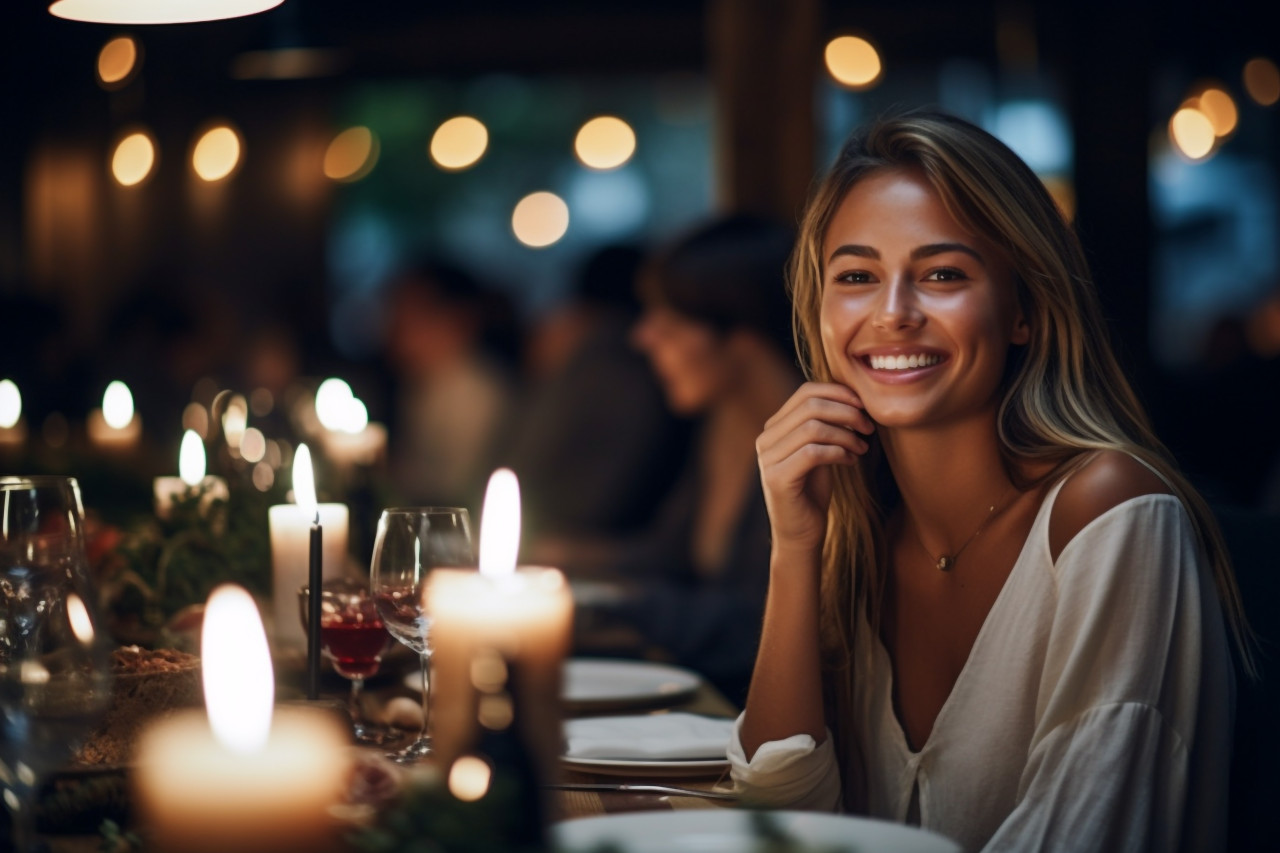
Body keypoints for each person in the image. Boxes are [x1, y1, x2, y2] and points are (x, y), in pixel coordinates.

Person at [732, 110, 1252, 852]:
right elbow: (775, 820)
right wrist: (794, 548)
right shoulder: (865, 532)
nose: (893, 313)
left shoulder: (1111, 511)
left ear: (1023, 312)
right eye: (856, 277)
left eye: (943, 274)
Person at [590, 214, 802, 705]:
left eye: (668, 323)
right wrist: (562, 568)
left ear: (743, 337)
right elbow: (668, 559)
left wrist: (598, 602)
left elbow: (758, 625)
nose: (642, 337)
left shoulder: (822, 449)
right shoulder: (723, 426)